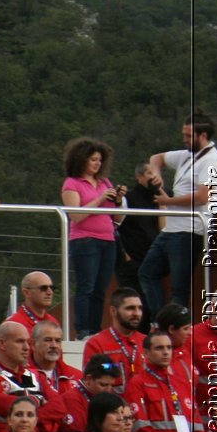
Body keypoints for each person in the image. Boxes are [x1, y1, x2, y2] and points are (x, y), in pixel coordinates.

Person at [141, 113, 217, 314]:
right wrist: (157, 176)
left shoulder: (214, 161)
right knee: (147, 272)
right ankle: (160, 320)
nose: (184, 139)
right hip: (171, 229)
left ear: (202, 135)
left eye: (188, 136)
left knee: (180, 288)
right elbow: (156, 159)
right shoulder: (188, 155)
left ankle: (177, 327)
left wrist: (168, 201)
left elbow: (203, 196)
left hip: (190, 231)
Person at [61, 138, 122, 338]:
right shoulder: (72, 184)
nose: (97, 163)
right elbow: (76, 215)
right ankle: (83, 329)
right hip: (85, 239)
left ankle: (95, 330)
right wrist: (100, 199)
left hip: (108, 239)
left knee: (100, 289)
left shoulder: (105, 183)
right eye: (93, 159)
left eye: (99, 160)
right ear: (82, 160)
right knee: (85, 286)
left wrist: (119, 200)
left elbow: (118, 217)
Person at [125, 331, 199, 432]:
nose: (166, 352)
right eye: (159, 348)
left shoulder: (182, 383)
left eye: (169, 348)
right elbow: (140, 430)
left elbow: (197, 426)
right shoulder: (137, 384)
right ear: (146, 353)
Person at [38, 355, 123, 432]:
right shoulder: (72, 399)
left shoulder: (102, 398)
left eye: (111, 385)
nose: (108, 390)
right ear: (88, 379)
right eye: (103, 385)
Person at [116, 162, 168, 298]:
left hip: (154, 261)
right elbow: (115, 226)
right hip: (133, 263)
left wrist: (162, 197)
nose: (154, 177)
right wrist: (126, 257)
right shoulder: (128, 198)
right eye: (150, 173)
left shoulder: (162, 198)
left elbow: (164, 229)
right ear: (139, 177)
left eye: (156, 174)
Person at [83, 287, 146, 387]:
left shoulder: (147, 342)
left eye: (140, 308)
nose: (137, 313)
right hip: (112, 401)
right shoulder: (96, 343)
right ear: (113, 311)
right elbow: (92, 384)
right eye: (130, 308)